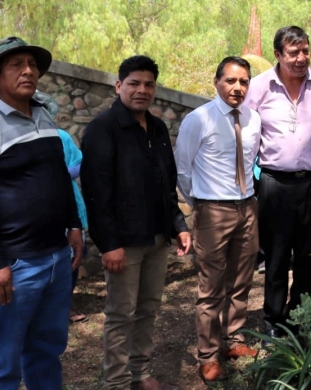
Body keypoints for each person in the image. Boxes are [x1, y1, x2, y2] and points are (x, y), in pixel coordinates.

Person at [0, 36, 83, 389]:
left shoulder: (41, 115)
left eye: (32, 64)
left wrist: (74, 225)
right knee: (1, 363)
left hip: (55, 257)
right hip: (13, 265)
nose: (29, 71)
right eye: (16, 65)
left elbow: (59, 177)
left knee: (46, 351)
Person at [81, 55, 191, 390]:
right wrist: (108, 243)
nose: (142, 90)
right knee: (120, 315)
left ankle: (139, 372)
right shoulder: (102, 129)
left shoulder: (157, 128)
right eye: (134, 83)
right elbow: (96, 193)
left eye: (148, 84)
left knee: (148, 310)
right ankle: (115, 382)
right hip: (123, 244)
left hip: (157, 239)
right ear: (119, 86)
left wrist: (179, 225)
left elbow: (166, 183)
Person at [246, 27, 311, 341]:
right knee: (276, 255)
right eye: (293, 53)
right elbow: (246, 136)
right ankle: (274, 319)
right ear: (278, 55)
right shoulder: (259, 87)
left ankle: (299, 314)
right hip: (274, 184)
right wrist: (250, 183)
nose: (301, 58)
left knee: (309, 255)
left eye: (305, 51)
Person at [175, 57, 261, 382]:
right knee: (211, 287)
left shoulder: (254, 119)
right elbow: (182, 169)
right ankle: (208, 356)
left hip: (247, 208)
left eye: (243, 82)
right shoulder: (198, 119)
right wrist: (200, 203)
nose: (237, 87)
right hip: (212, 210)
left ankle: (234, 340)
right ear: (216, 82)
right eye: (230, 81)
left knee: (242, 281)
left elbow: (252, 161)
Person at [34, 91, 89, 324]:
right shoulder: (16, 139)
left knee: (74, 256)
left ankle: (64, 305)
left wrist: (60, 175)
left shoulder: (62, 137)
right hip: (36, 213)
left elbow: (79, 162)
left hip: (68, 204)